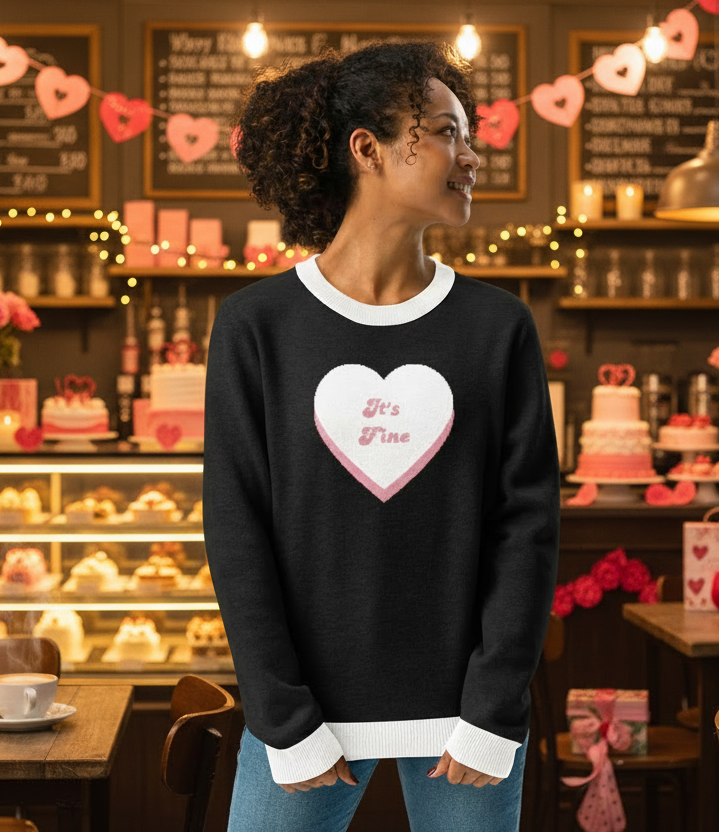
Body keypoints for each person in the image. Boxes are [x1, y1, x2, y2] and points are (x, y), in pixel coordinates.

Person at [203, 39, 559, 832]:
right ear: (368, 149)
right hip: (304, 721)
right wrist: (283, 718)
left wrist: (494, 709)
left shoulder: (498, 327)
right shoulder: (256, 326)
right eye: (447, 132)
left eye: (469, 136)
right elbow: (236, 531)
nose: (472, 156)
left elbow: (526, 531)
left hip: (466, 721)